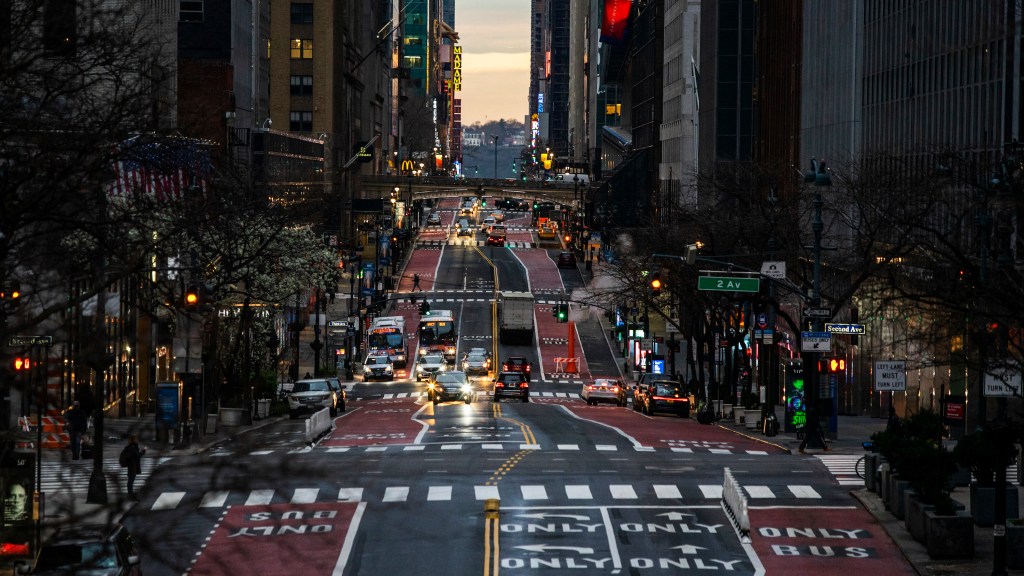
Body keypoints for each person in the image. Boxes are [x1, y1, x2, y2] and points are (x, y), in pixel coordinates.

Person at [121, 435, 145, 501]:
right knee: (131, 481)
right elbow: (138, 455)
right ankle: (130, 495)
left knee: (131, 480)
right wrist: (144, 451)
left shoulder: (131, 447)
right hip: (132, 466)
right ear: (133, 440)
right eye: (136, 439)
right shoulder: (132, 447)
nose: (137, 440)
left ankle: (130, 495)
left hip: (132, 466)